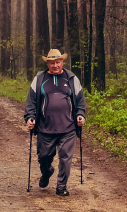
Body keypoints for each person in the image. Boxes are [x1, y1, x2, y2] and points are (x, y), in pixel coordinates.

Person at [24, 49, 86, 196]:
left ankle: (61, 186)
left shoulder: (71, 78)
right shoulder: (40, 79)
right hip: (45, 128)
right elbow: (31, 101)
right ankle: (47, 172)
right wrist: (30, 117)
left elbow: (80, 100)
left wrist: (80, 114)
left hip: (68, 127)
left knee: (66, 158)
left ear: (62, 62)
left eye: (58, 62)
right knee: (44, 157)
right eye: (52, 63)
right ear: (48, 63)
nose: (55, 65)